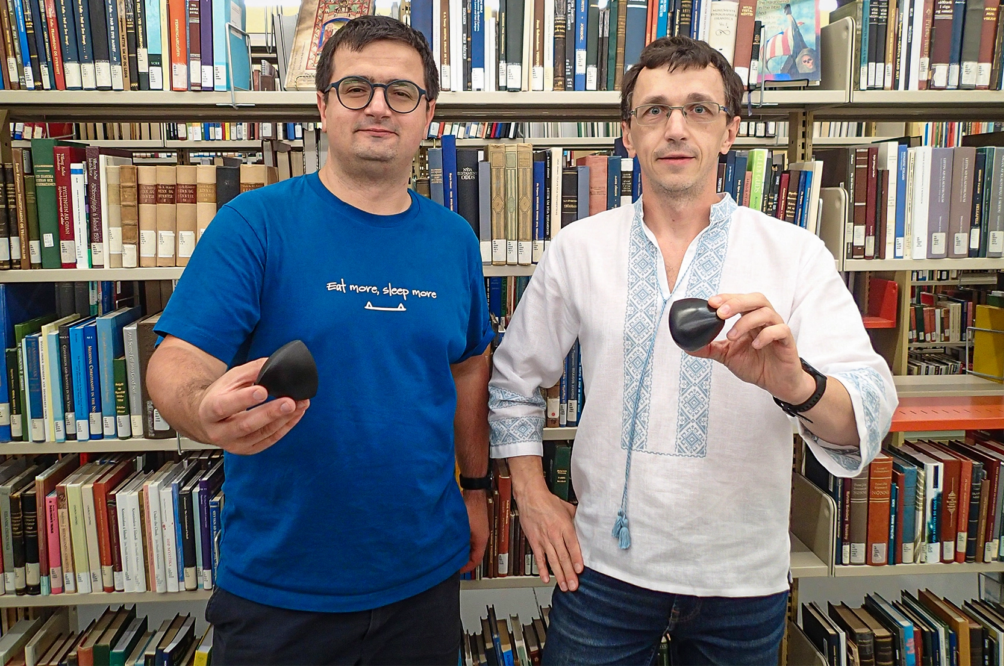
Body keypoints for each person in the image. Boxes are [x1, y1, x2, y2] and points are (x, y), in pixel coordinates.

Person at [487, 36, 897, 666]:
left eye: (699, 109)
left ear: (730, 132)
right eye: (655, 111)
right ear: (629, 135)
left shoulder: (795, 254)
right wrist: (534, 497)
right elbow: (513, 381)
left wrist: (795, 383)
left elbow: (866, 411)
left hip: (743, 584)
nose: (675, 128)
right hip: (602, 572)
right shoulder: (579, 247)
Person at [147, 15, 493, 666]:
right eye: (356, 87)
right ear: (322, 104)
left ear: (430, 114)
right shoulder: (254, 225)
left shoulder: (454, 241)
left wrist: (475, 491)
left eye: (402, 92)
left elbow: (469, 368)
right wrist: (201, 409)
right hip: (282, 588)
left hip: (423, 579)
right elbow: (177, 361)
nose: (379, 107)